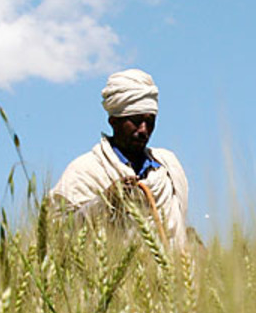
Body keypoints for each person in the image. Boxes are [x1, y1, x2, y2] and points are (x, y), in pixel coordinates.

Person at [51, 68, 189, 248]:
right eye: (136, 121)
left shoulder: (168, 167)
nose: (144, 130)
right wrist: (104, 201)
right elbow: (58, 234)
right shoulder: (85, 171)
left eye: (150, 121)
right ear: (114, 122)